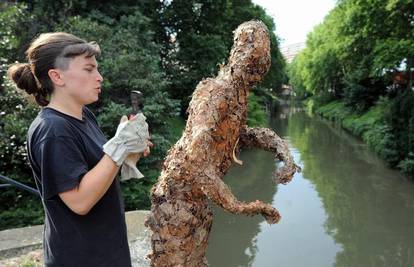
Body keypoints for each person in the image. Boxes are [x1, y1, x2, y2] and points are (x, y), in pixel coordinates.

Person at [7, 32, 151, 266]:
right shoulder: (53, 130)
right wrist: (119, 145)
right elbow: (80, 201)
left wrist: (128, 153)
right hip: (80, 259)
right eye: (89, 69)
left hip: (107, 252)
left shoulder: (85, 117)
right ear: (57, 76)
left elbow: (98, 172)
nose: (99, 77)